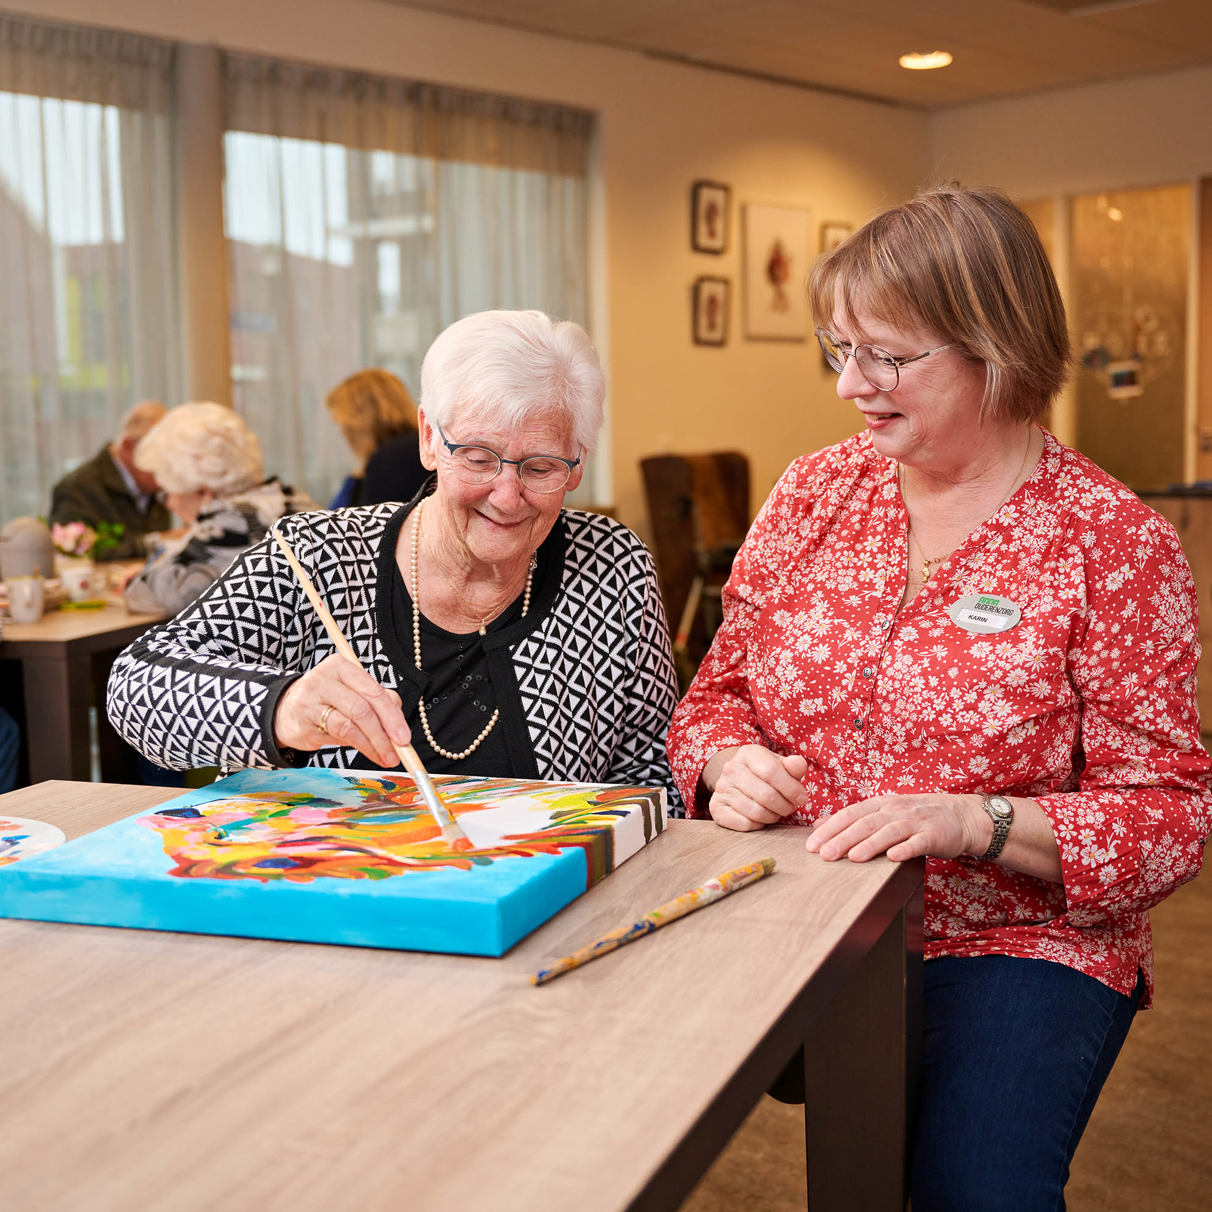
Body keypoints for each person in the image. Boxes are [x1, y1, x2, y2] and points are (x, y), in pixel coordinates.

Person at [666, 184, 1212, 1210]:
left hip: (1013, 938)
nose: (850, 387)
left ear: (995, 345)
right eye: (838, 351)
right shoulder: (813, 494)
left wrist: (974, 821)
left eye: (888, 357)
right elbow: (714, 697)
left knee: (971, 1187)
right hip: (814, 907)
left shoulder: (1113, 541)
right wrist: (725, 763)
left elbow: (1171, 817)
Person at [107, 310, 680, 802]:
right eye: (478, 458)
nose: (507, 496)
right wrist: (283, 707)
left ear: (576, 464)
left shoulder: (613, 568)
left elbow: (656, 776)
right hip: (340, 901)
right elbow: (134, 689)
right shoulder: (318, 555)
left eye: (541, 466)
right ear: (430, 439)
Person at [123, 402, 318, 616]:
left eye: (168, 493)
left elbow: (142, 595)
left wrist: (142, 574)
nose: (169, 504)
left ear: (202, 491)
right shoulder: (293, 499)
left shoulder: (227, 524)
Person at [49, 400, 174, 559]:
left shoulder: (154, 484)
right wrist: (153, 543)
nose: (169, 467)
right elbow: (73, 554)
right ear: (128, 446)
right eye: (160, 457)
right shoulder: (76, 488)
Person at [325, 369, 428, 507]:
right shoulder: (415, 446)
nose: (343, 433)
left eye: (344, 424)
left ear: (359, 421)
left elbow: (375, 525)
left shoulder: (391, 458)